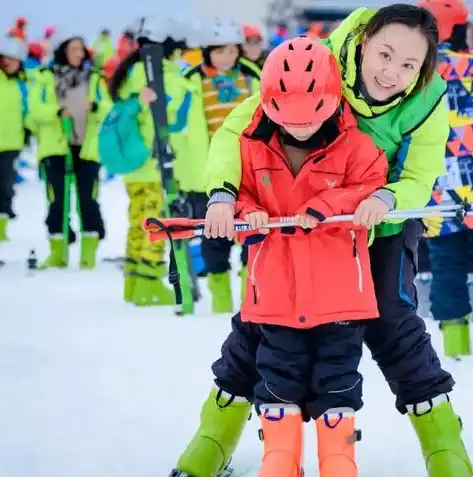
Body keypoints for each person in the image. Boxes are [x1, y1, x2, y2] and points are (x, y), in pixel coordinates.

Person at [170, 5, 473, 477]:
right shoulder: (318, 59)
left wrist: (389, 198)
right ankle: (214, 436)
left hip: (380, 222)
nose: (392, 72)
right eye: (385, 54)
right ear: (366, 41)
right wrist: (222, 196)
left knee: (393, 322)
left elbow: (419, 175)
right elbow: (240, 128)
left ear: (425, 65)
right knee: (262, 320)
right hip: (295, 216)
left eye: (409, 65)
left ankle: (445, 449)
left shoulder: (429, 101)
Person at [236, 36, 387, 477]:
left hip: (340, 294)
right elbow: (240, 194)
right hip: (277, 295)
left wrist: (332, 202)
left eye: (311, 118)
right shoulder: (252, 146)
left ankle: (338, 458)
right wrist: (248, 213)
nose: (300, 129)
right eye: (289, 119)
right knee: (277, 376)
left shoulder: (356, 145)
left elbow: (372, 185)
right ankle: (280, 458)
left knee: (337, 378)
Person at [172, 17, 261, 313]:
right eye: (220, 51)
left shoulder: (252, 75)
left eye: (232, 50)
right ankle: (221, 301)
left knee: (253, 236)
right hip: (207, 172)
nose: (227, 57)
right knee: (214, 238)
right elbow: (175, 121)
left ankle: (252, 301)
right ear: (208, 51)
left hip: (250, 170)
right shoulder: (191, 81)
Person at [108, 17, 193, 306]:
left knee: (137, 223)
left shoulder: (133, 74)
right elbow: (174, 121)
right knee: (156, 225)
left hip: (137, 168)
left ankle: (134, 283)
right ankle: (148, 284)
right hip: (154, 167)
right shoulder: (164, 77)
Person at [28, 34, 109, 268]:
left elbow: (108, 110)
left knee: (89, 199)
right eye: (73, 49)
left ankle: (88, 253)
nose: (79, 54)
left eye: (81, 49)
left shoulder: (94, 79)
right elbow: (34, 110)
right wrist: (57, 111)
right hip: (56, 146)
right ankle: (58, 252)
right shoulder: (45, 77)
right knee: (57, 201)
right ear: (62, 50)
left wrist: (93, 106)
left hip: (87, 147)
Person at [420, 0, 473, 358]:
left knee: (446, 266)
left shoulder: (416, 72)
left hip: (437, 189)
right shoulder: (469, 65)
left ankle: (456, 347)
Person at [0, 36, 29, 240]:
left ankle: (1, 227)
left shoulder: (23, 85)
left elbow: (28, 111)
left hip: (11, 143)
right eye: (6, 58)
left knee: (5, 185)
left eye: (14, 59)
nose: (9, 63)